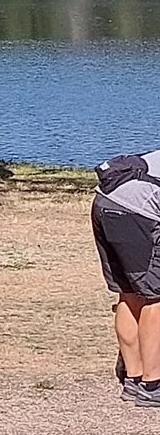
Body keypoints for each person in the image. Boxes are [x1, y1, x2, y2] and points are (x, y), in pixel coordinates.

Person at [93, 150, 160, 404]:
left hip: (103, 202)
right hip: (137, 211)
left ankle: (134, 378)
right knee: (156, 296)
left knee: (129, 292)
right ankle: (153, 385)